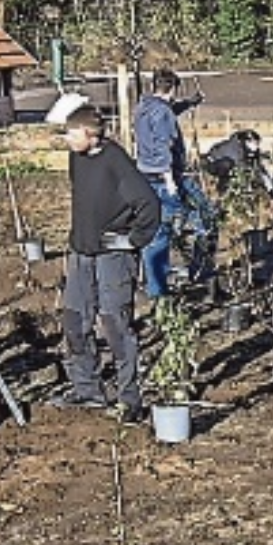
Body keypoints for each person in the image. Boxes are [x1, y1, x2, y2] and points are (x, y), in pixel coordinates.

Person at [50, 99, 162, 419]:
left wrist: (132, 241)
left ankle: (130, 399)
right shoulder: (77, 158)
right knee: (75, 321)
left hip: (113, 256)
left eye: (72, 133)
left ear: (91, 133)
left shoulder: (117, 163)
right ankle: (87, 390)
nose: (67, 139)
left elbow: (148, 205)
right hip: (81, 252)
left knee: (115, 325)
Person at [131, 68, 209, 298]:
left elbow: (168, 112)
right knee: (202, 217)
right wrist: (169, 180)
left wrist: (190, 103)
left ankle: (157, 287)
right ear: (173, 89)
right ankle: (194, 272)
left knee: (157, 232)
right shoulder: (163, 113)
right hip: (165, 178)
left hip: (145, 176)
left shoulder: (144, 107)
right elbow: (163, 145)